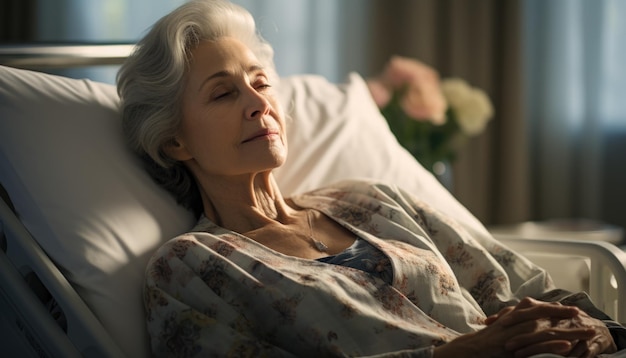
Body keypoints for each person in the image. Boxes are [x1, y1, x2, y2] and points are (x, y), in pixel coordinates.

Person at [116, 0, 626, 357]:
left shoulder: (368, 199)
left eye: (261, 83)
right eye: (223, 94)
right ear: (175, 142)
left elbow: (520, 285)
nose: (258, 105)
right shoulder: (191, 267)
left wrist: (604, 333)